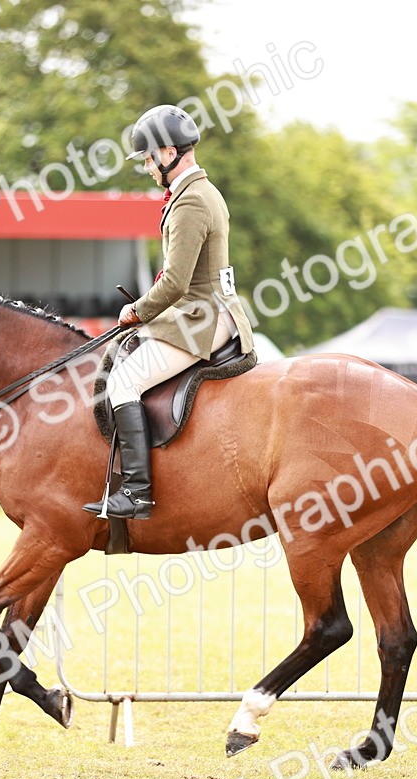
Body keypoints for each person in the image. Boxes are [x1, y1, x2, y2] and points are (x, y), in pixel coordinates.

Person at [83, 104, 255, 519]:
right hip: (205, 310)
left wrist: (136, 311)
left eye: (146, 159)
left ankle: (137, 493)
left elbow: (176, 283)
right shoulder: (201, 192)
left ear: (165, 153)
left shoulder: (191, 201)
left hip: (202, 317)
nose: (146, 167)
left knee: (123, 382)